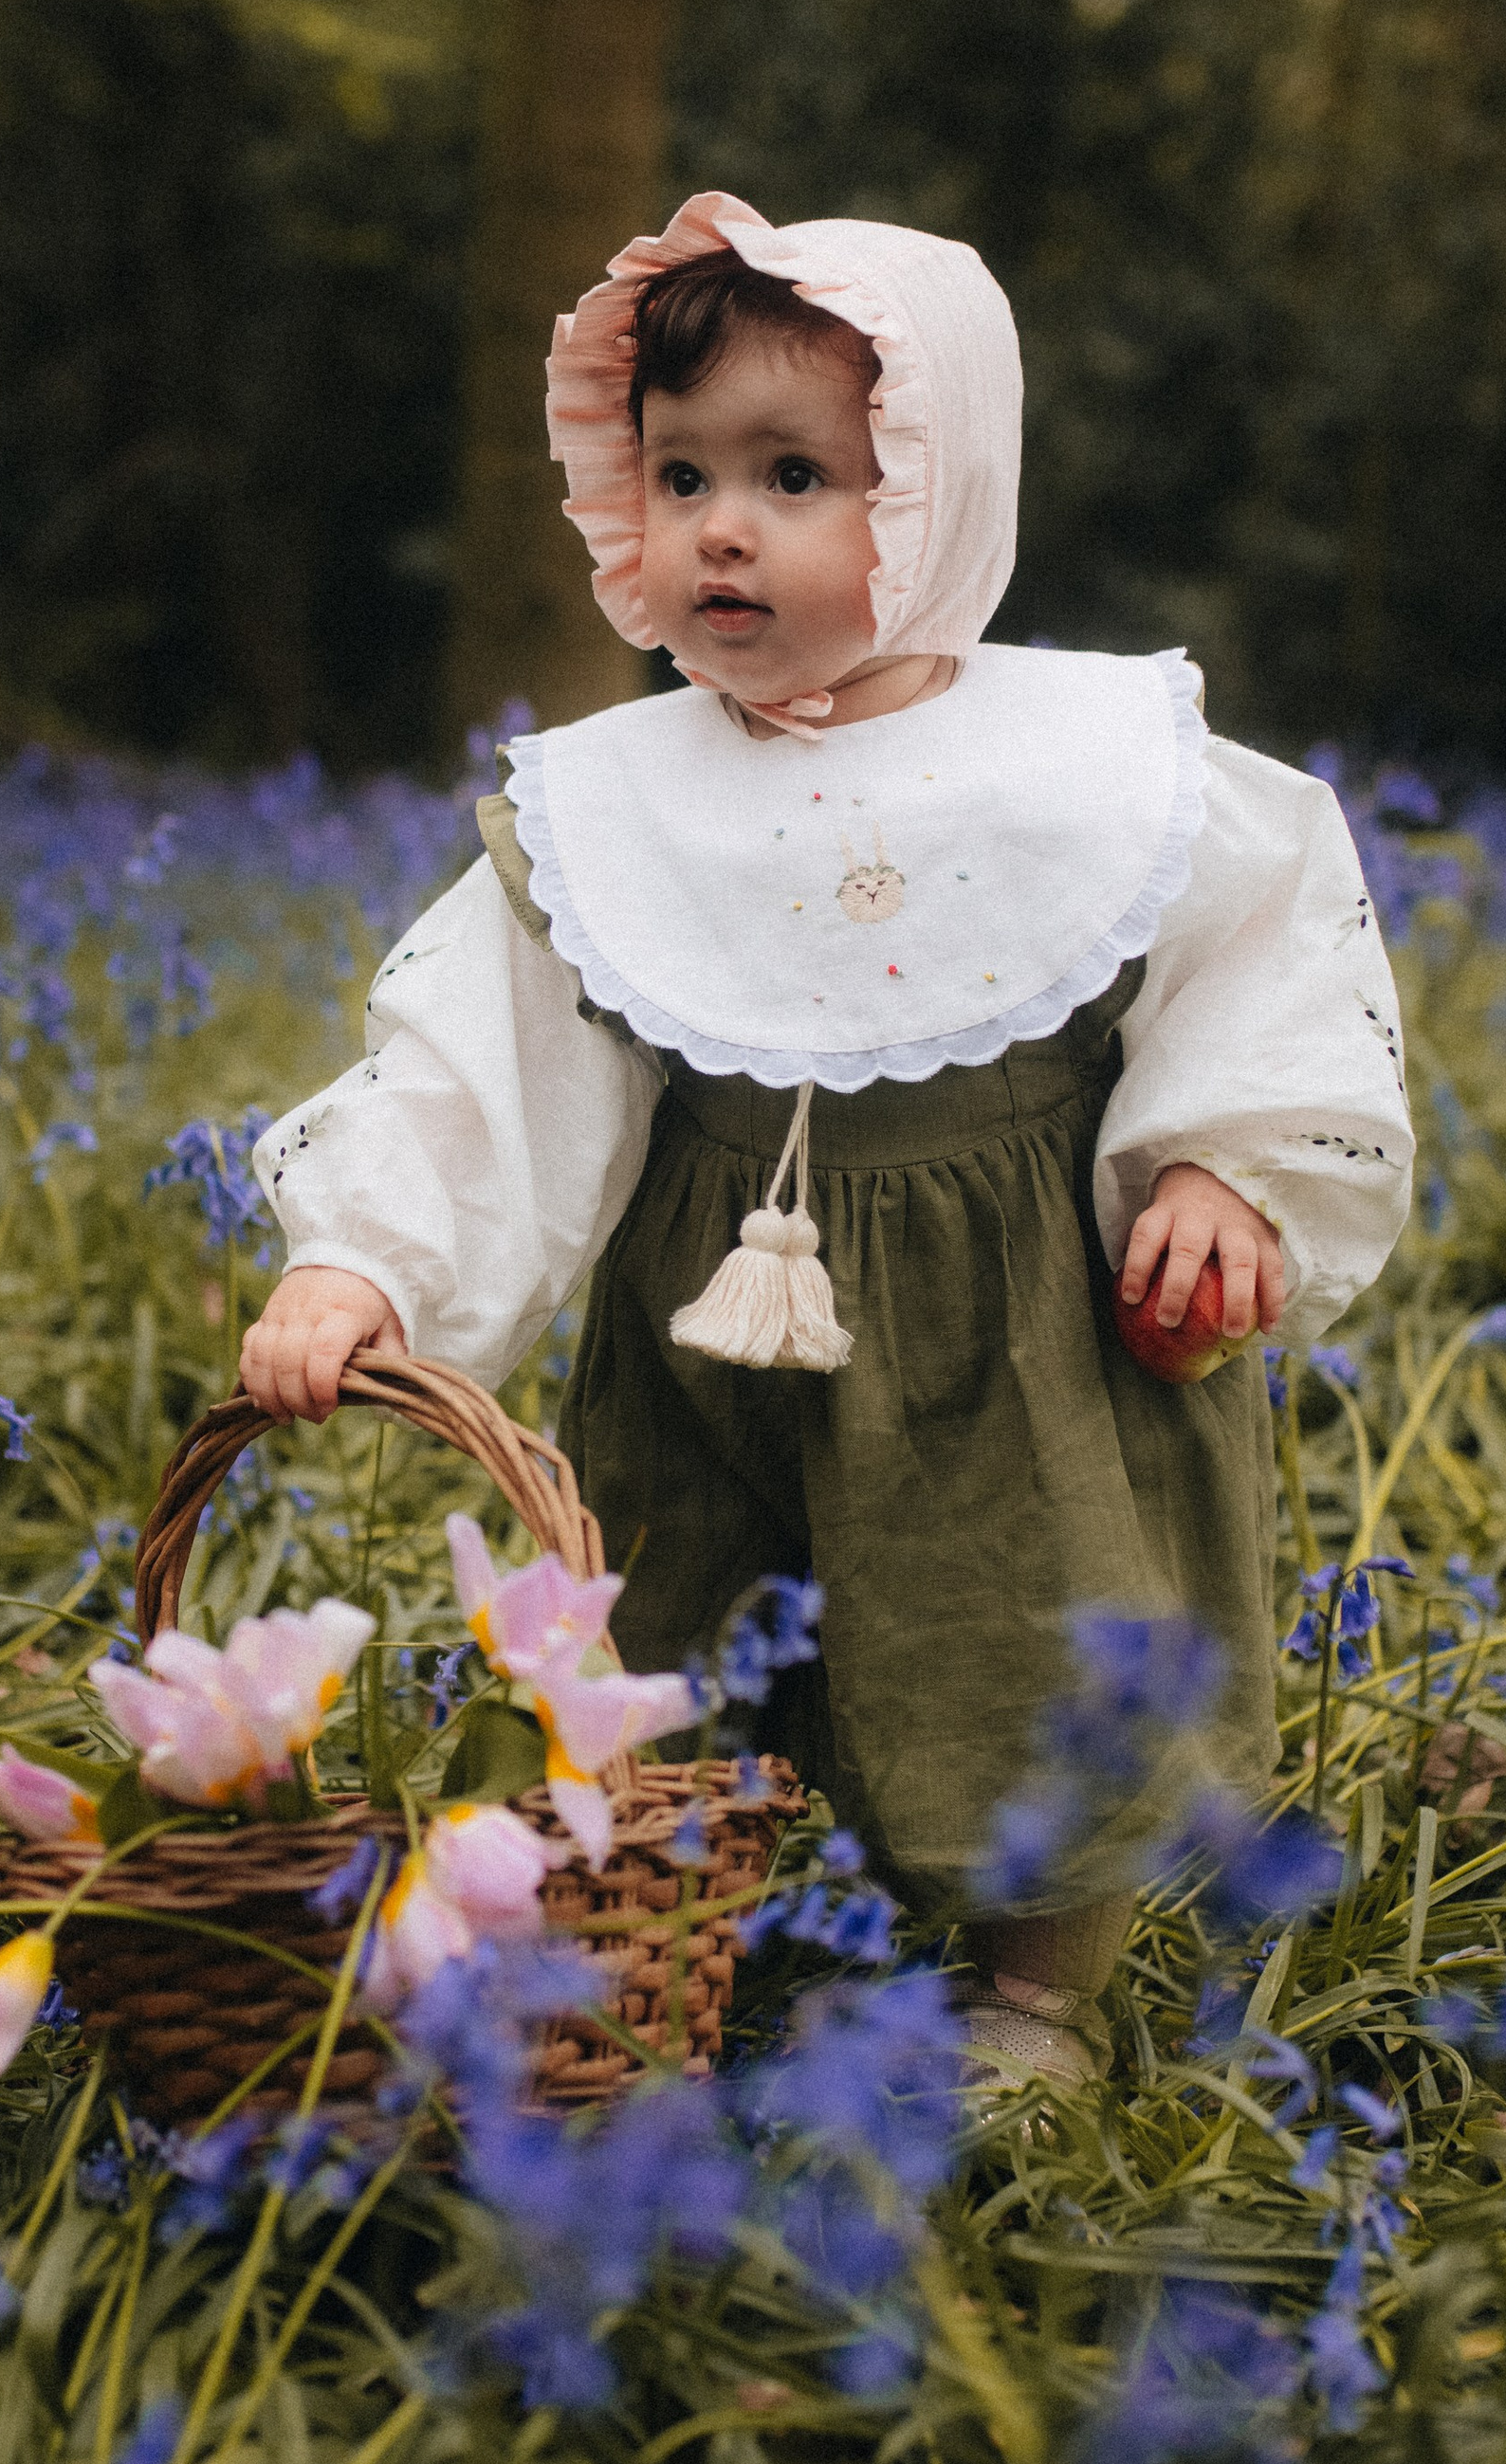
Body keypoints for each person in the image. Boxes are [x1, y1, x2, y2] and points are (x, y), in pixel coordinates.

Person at [240, 192, 1413, 2085]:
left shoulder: (1092, 769)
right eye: (683, 469)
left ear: (937, 493)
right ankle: (700, 1923)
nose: (721, 523)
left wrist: (1220, 1173)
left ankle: (1033, 1987)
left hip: (1016, 1321)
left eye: (796, 473)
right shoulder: (613, 806)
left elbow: (1264, 948)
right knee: (688, 1614)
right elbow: (486, 1047)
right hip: (710, 1334)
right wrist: (362, 1253)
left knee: (1031, 1626)